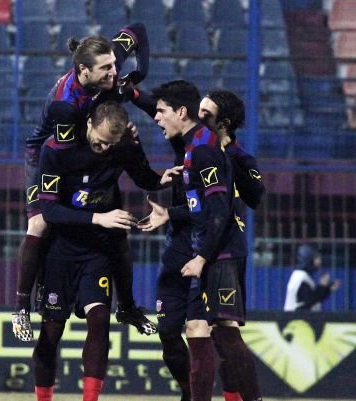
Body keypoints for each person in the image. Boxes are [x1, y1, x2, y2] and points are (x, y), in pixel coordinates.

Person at [12, 23, 156, 342]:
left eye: (114, 65)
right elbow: (67, 154)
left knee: (116, 226)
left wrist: (140, 73)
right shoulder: (65, 105)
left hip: (88, 143)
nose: (114, 72)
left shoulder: (106, 57)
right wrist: (119, 137)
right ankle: (21, 306)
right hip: (48, 154)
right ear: (83, 71)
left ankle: (128, 307)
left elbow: (138, 30)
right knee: (39, 223)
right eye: (106, 69)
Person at [32, 101, 176, 401]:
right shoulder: (57, 150)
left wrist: (162, 180)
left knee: (99, 320)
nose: (103, 148)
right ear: (89, 124)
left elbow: (143, 176)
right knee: (52, 331)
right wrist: (99, 217)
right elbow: (50, 211)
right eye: (99, 141)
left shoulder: (122, 145)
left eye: (110, 144)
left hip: (97, 250)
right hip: (61, 250)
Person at [137, 85, 263, 401]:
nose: (199, 114)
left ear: (223, 123)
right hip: (197, 246)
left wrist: (202, 257)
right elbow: (201, 207)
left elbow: (224, 207)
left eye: (205, 113)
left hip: (219, 250)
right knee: (196, 330)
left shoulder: (210, 150)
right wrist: (170, 213)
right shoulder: (193, 147)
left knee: (224, 333)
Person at [283, 244, 341, 311]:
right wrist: (322, 288)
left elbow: (311, 299)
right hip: (296, 317)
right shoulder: (301, 278)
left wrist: (327, 289)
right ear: (308, 260)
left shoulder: (301, 275)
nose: (319, 261)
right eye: (316, 258)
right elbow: (308, 302)